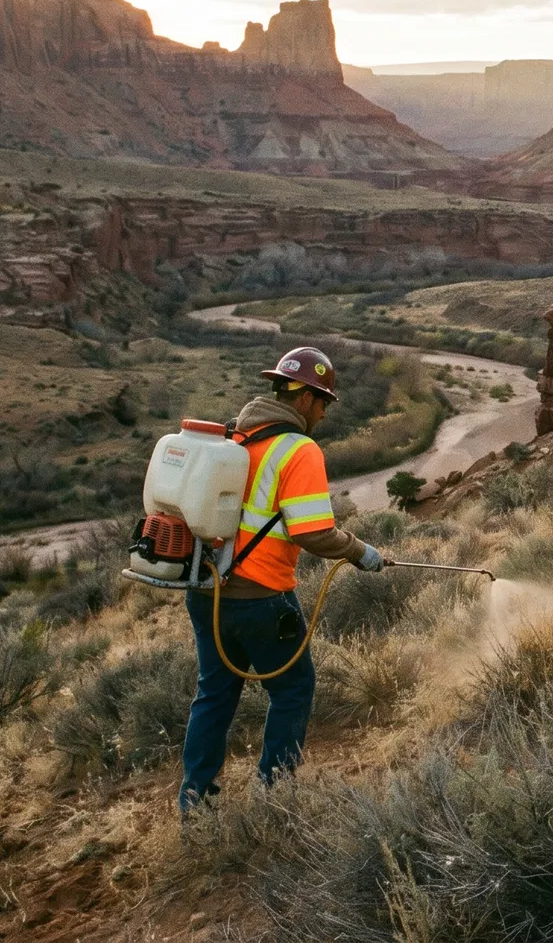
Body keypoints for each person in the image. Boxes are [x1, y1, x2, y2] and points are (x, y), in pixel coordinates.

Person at [177, 345, 386, 813]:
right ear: (308, 399)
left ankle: (195, 802)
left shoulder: (234, 439)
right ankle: (276, 800)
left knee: (213, 693)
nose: (325, 414)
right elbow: (313, 532)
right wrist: (362, 553)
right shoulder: (299, 448)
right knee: (292, 691)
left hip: (207, 592)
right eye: (325, 404)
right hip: (263, 599)